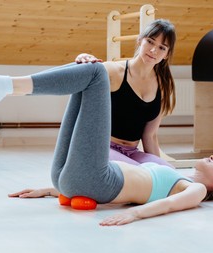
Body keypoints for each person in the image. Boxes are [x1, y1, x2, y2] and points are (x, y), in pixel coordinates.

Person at [0, 61, 213, 226]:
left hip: (93, 179)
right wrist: (52, 189)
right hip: (70, 179)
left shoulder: (194, 189)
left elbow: (167, 206)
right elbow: (128, 192)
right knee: (87, 78)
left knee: (98, 73)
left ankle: (5, 87)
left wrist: (134, 217)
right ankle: (2, 87)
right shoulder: (168, 170)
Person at [75, 19, 176, 168]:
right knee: (137, 172)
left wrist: (161, 172)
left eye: (162, 47)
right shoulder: (114, 71)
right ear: (140, 41)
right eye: (150, 42)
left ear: (167, 54)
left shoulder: (163, 85)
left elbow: (150, 135)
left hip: (132, 151)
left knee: (169, 172)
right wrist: (83, 57)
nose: (154, 50)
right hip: (102, 147)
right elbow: (85, 74)